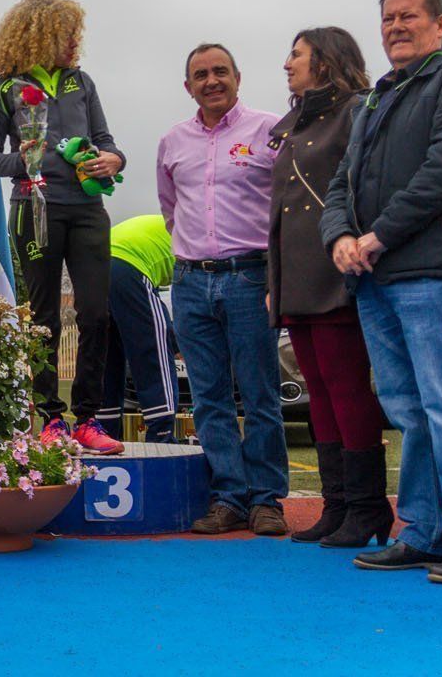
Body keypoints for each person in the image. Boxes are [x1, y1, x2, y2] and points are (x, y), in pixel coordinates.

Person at [321, 0, 442, 583]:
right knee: (408, 411)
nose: (396, 27)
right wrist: (340, 236)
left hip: (431, 273)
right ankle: (424, 532)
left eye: (409, 17)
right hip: (375, 280)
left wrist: (379, 235)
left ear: (439, 24)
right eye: (388, 19)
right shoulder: (376, 100)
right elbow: (341, 183)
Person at [0, 0, 125, 454]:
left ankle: (88, 418)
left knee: (95, 313)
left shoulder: (82, 82)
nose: (75, 42)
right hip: (33, 207)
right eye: (67, 34)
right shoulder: (4, 89)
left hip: (86, 209)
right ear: (40, 34)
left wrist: (112, 161)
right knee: (43, 320)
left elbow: (108, 143)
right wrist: (22, 161)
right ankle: (51, 420)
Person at [158, 43, 289, 536]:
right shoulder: (172, 141)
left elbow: (284, 204)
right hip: (191, 280)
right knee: (208, 397)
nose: (211, 81)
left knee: (260, 394)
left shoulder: (268, 129)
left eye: (220, 72)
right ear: (187, 86)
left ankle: (267, 500)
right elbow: (171, 208)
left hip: (250, 276)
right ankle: (229, 497)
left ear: (238, 76)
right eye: (200, 74)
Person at [267, 27, 390, 547]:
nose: (287, 63)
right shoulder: (295, 121)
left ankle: (367, 509)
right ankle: (337, 506)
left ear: (326, 59)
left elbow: (364, 184)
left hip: (335, 267)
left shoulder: (359, 108)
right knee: (317, 391)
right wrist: (275, 278)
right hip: (296, 270)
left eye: (296, 54)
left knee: (345, 386)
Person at [96, 214, 180, 444]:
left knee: (107, 356)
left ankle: (104, 433)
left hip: (93, 266)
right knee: (154, 349)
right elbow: (188, 304)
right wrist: (177, 345)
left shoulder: (163, 224)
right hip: (128, 265)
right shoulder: (195, 242)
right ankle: (162, 435)